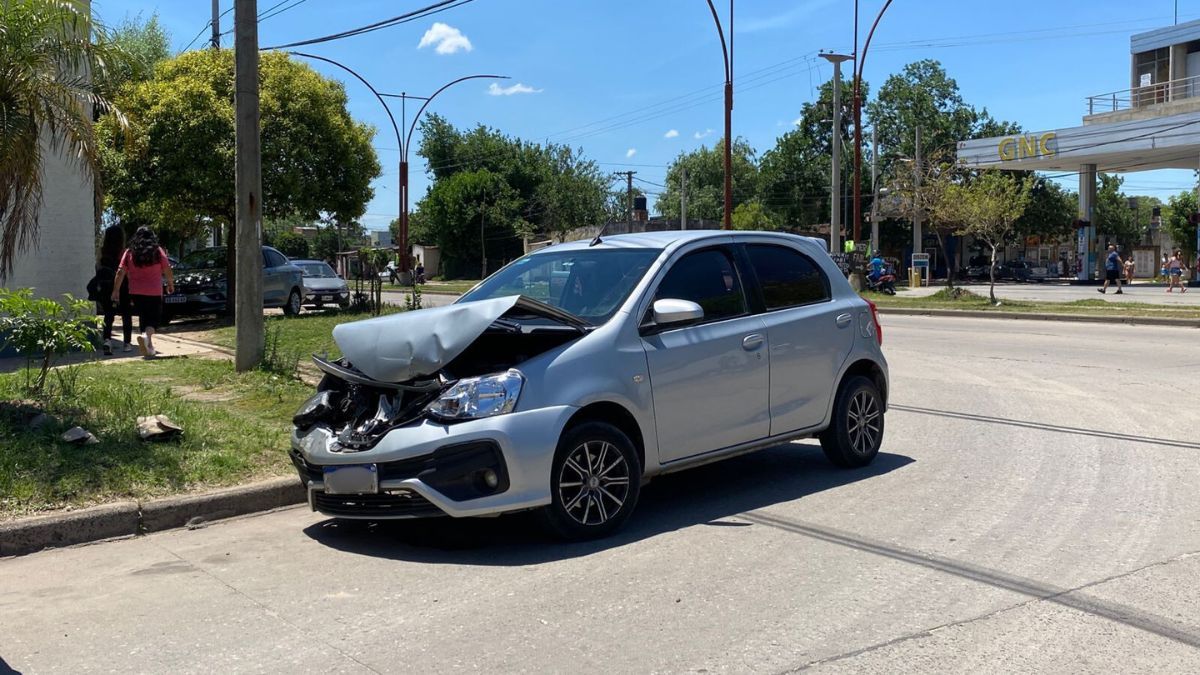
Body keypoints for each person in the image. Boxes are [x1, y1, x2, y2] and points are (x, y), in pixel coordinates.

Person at [111, 227, 174, 358]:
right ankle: (146, 336)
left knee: (143, 318)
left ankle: (149, 348)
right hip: (154, 292)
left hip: (136, 292)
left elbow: (120, 272)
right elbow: (167, 268)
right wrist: (170, 284)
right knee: (154, 320)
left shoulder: (130, 252)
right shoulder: (157, 251)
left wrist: (116, 290)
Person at [95, 225, 133, 355]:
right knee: (126, 314)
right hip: (123, 285)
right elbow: (127, 271)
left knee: (108, 315)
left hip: (107, 286)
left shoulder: (102, 251)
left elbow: (98, 267)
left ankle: (107, 340)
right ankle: (127, 343)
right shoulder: (125, 252)